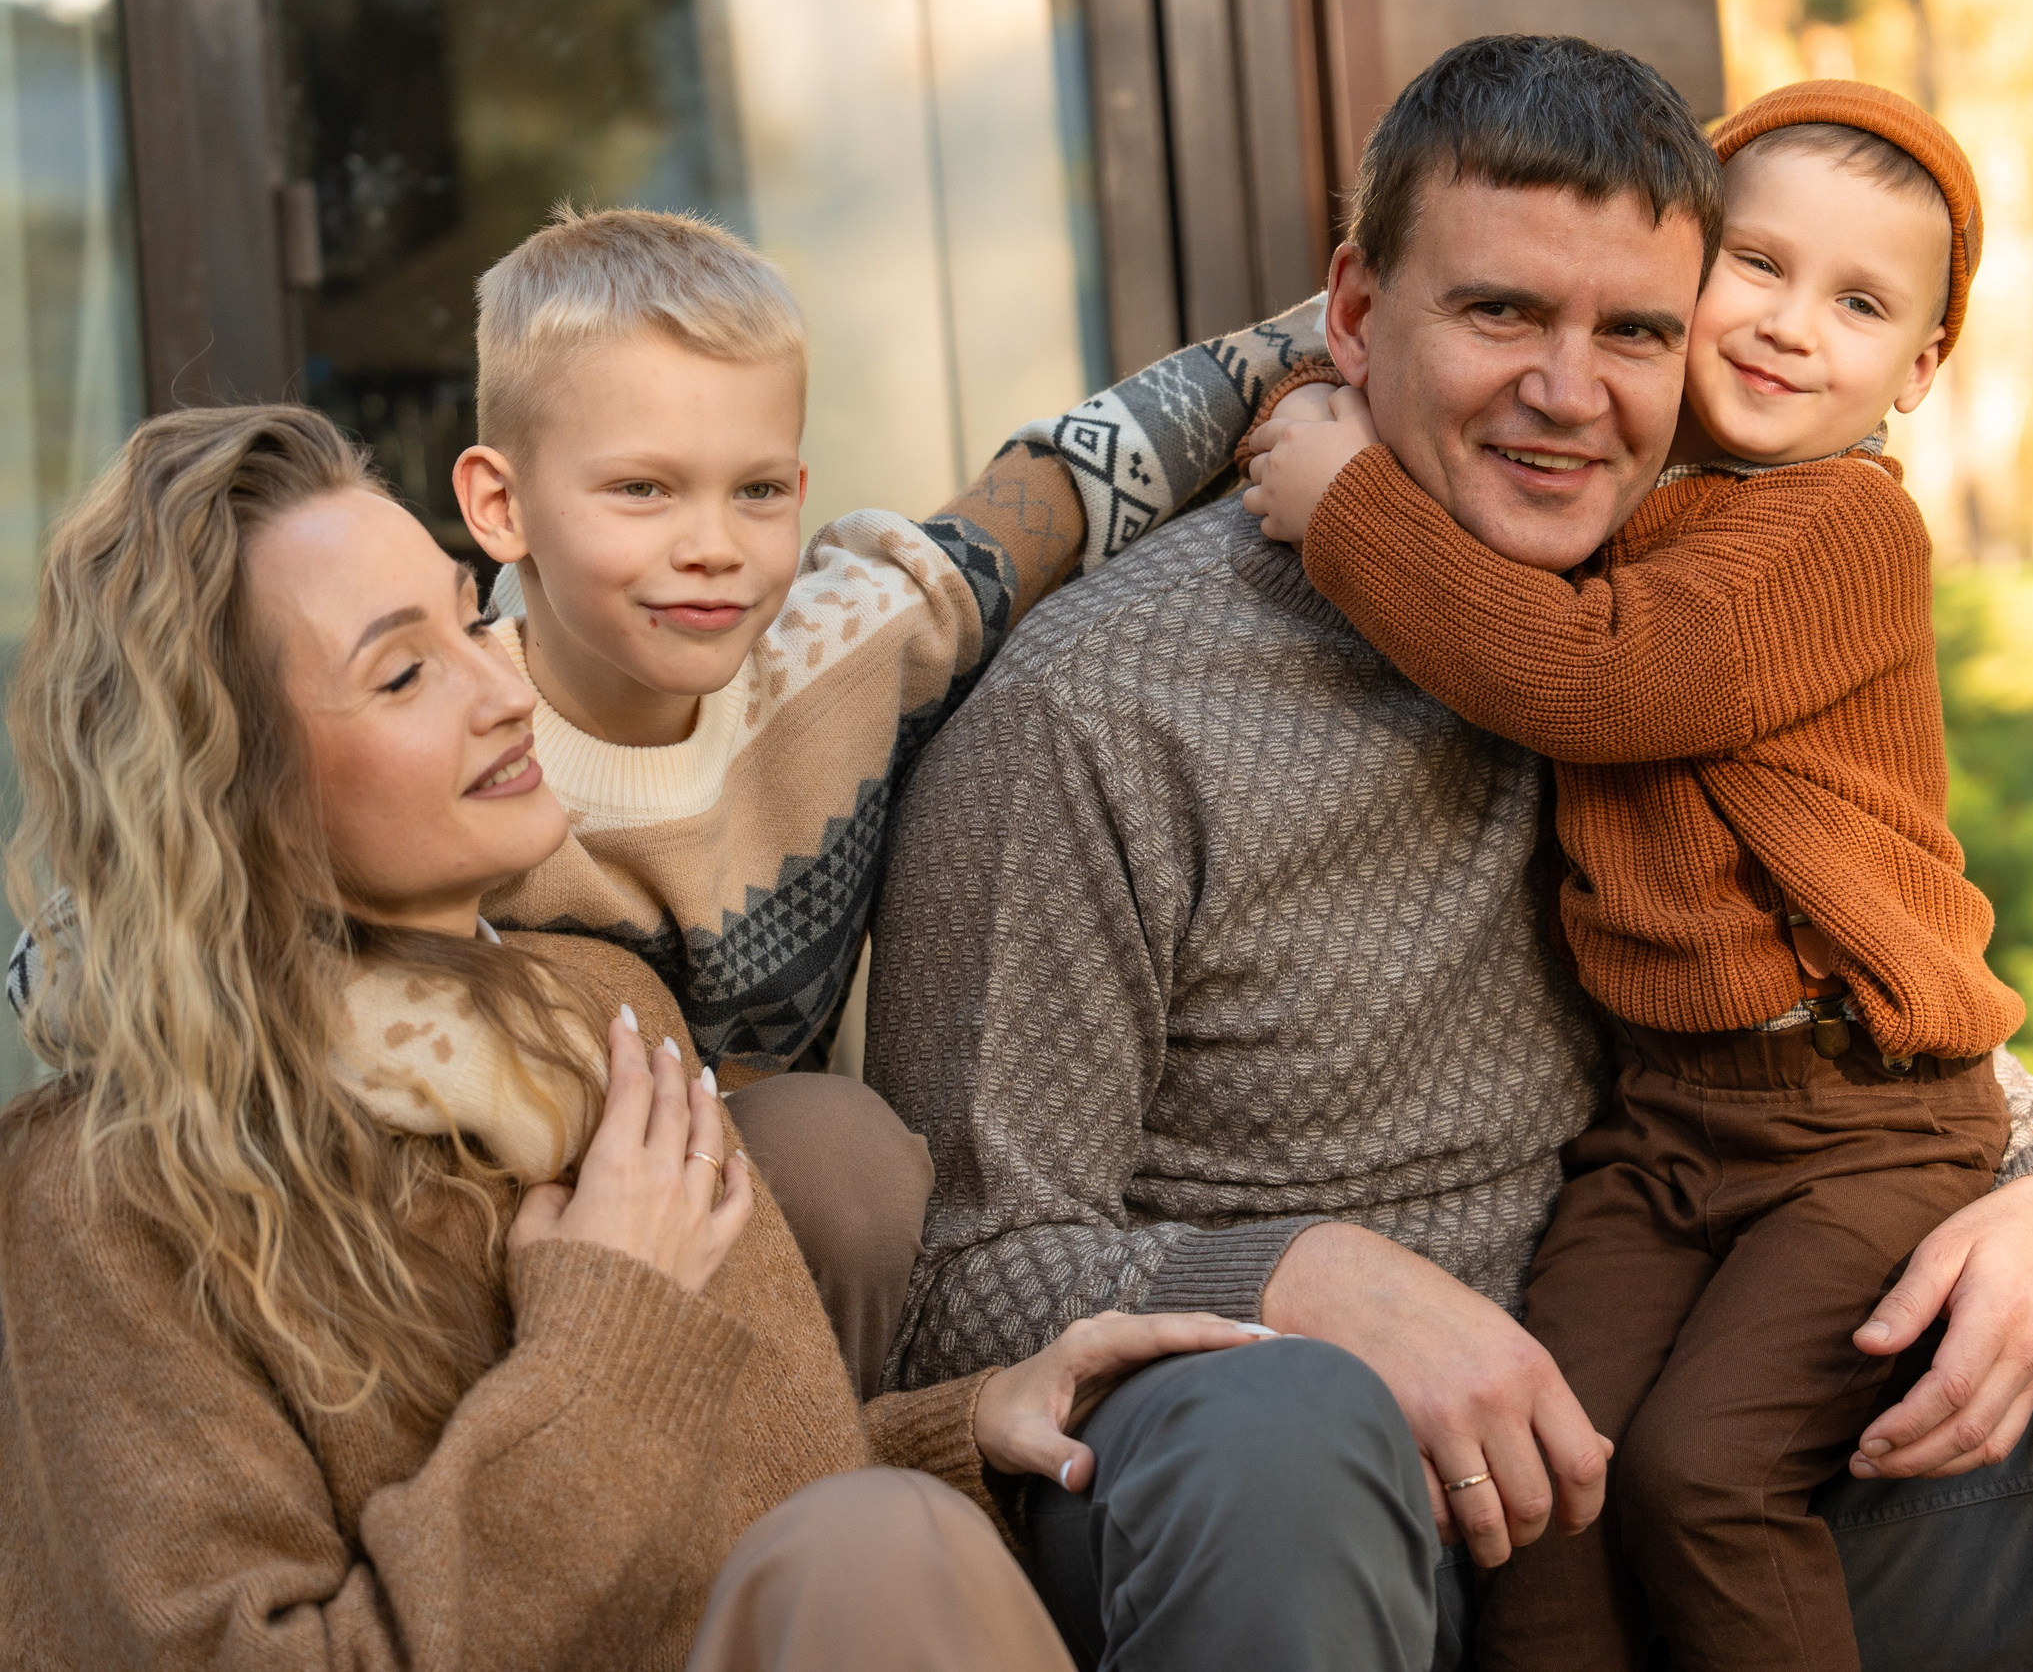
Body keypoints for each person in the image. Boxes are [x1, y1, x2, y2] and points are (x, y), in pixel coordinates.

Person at [869, 38, 2033, 1672]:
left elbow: (1850, 965)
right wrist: (1306, 1286)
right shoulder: (1095, 715)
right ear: (1354, 313)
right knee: (1283, 1437)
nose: (1573, 393)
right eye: (1500, 313)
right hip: (1310, 1513)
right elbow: (944, 1290)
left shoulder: (1677, 603)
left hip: (1688, 1464)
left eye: (1636, 330)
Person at [0, 403, 1277, 1672]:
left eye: (471, 617)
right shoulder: (105, 1194)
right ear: (232, 798)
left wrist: (957, 1428)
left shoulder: (590, 1012)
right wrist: (610, 1319)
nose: (504, 690)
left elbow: (743, 1516)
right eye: (403, 672)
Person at [1244, 79, 2023, 1671]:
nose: (1792, 326)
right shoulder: (1631, 490)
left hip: (1857, 1125)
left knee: (1705, 1477)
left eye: (1860, 302)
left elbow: (1596, 681)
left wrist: (1346, 506)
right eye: (1756, 266)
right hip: (1667, 1121)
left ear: (1921, 369)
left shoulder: (1840, 532)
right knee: (1548, 1477)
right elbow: (1391, 338)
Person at [450, 205, 1324, 1084]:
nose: (713, 546)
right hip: (525, 1167)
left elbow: (1061, 483)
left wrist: (1323, 329)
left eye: (755, 490)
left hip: (779, 1171)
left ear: (799, 485)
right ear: (501, 506)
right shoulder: (444, 747)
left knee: (845, 1156)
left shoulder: (847, 647)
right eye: (642, 488)